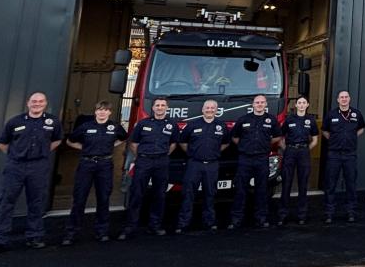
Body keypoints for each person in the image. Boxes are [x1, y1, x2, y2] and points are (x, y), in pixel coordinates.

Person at [0, 91, 63, 256]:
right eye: (34, 101)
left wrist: (41, 153)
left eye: (41, 101)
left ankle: (35, 237)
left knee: (36, 203)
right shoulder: (15, 121)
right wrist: (17, 155)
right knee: (6, 202)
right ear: (28, 103)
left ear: (45, 103)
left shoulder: (52, 122)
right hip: (16, 167)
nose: (37, 104)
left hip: (38, 167)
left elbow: (57, 140)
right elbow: (2, 143)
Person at [61, 101, 127, 244]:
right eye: (99, 110)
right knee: (79, 199)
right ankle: (71, 233)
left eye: (105, 110)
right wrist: (84, 149)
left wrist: (110, 146)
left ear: (110, 112)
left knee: (103, 198)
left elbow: (123, 138)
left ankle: (102, 232)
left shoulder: (115, 127)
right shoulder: (85, 127)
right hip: (86, 164)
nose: (102, 112)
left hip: (105, 165)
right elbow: (70, 141)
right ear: (95, 112)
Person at [119, 97, 178, 240]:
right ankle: (130, 227)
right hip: (143, 161)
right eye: (157, 105)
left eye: (163, 105)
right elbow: (134, 143)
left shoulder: (171, 125)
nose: (160, 107)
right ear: (153, 108)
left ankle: (154, 226)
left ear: (167, 108)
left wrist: (162, 155)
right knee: (137, 194)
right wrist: (142, 156)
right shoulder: (143, 123)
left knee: (159, 195)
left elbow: (173, 144)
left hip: (161, 162)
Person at [227, 94, 281, 229]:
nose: (259, 104)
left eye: (262, 102)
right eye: (257, 102)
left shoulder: (271, 120)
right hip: (245, 159)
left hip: (262, 159)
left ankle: (261, 218)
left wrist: (266, 145)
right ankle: (236, 219)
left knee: (262, 190)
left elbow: (277, 136)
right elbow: (234, 137)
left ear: (266, 104)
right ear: (253, 104)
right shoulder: (243, 119)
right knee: (240, 190)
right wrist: (244, 146)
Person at [175, 99, 227, 233]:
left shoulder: (221, 126)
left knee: (210, 194)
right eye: (207, 108)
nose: (209, 110)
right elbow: (182, 141)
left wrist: (214, 152)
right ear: (202, 110)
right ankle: (183, 223)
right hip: (194, 164)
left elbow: (226, 142)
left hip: (212, 165)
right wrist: (192, 153)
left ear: (216, 110)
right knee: (188, 194)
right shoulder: (193, 125)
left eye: (212, 108)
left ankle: (209, 222)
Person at [321, 90, 365, 224]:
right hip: (334, 154)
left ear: (349, 99)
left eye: (346, 97)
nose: (344, 99)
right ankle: (329, 213)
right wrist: (335, 139)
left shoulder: (356, 114)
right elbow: (324, 130)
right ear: (338, 100)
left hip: (350, 154)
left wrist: (351, 137)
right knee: (330, 185)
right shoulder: (331, 114)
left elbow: (362, 128)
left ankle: (351, 212)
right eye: (342, 97)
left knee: (351, 184)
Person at [278, 95, 318, 225]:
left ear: (307, 105)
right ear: (296, 106)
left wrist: (305, 149)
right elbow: (281, 138)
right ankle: (283, 214)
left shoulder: (311, 120)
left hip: (303, 152)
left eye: (303, 103)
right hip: (290, 152)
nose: (301, 105)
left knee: (303, 184)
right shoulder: (289, 119)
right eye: (299, 103)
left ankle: (302, 215)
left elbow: (315, 140)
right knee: (286, 183)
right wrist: (288, 149)